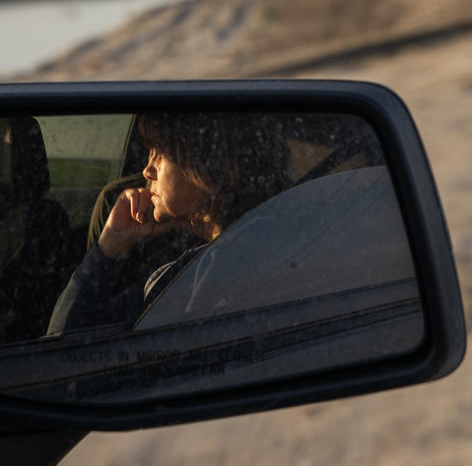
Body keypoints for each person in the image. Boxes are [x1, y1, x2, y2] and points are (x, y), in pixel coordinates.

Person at [47, 112, 293, 334]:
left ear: (208, 168)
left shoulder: (202, 276)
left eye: (160, 154)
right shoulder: (270, 245)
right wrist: (111, 243)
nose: (147, 170)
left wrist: (104, 252)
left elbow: (64, 345)